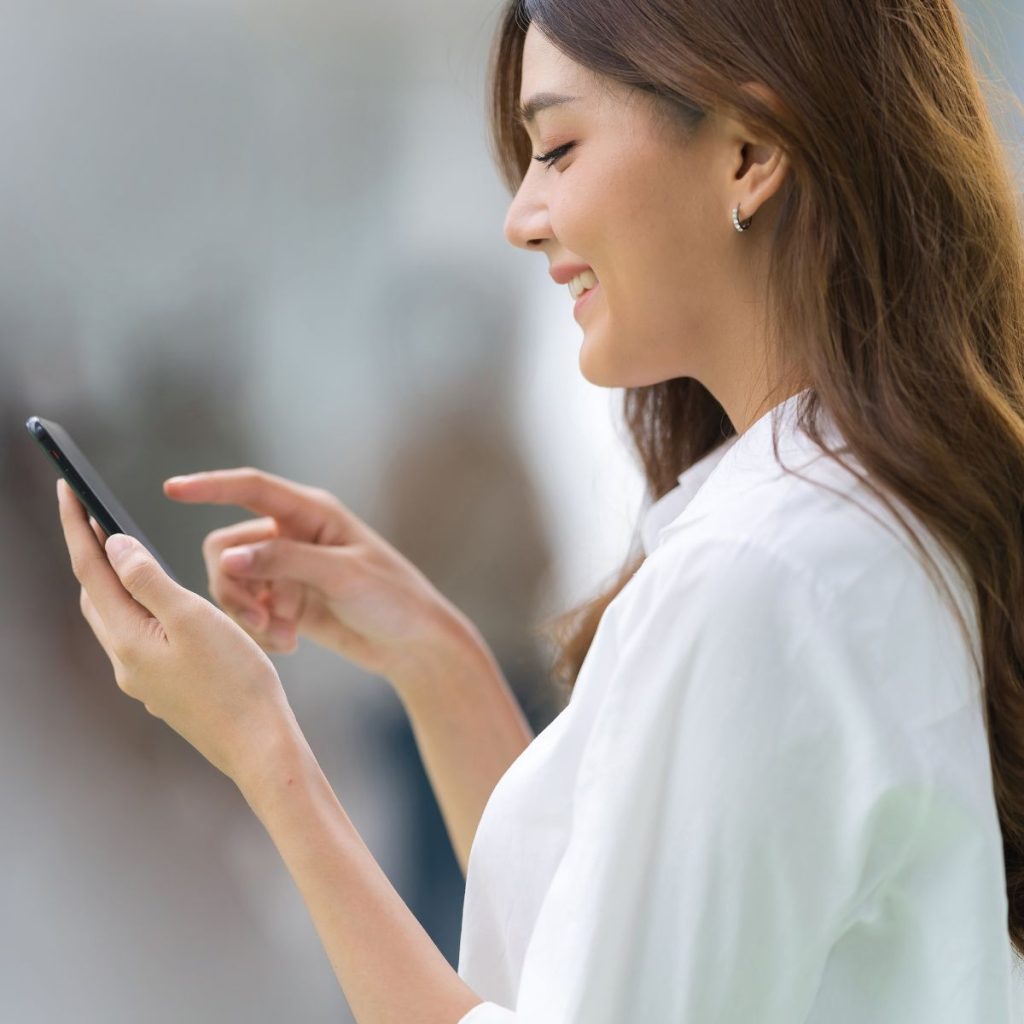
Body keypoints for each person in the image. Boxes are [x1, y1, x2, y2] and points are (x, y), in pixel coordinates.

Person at [55, 0, 1024, 1020]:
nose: (520, 218)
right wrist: (436, 655)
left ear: (747, 152)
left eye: (557, 148)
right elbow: (606, 924)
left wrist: (263, 750)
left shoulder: (758, 574)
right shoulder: (859, 518)